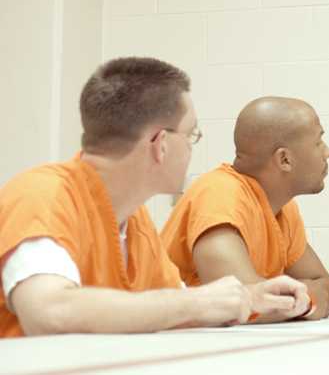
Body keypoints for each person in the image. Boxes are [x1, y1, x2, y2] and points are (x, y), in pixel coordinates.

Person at [0, 57, 307, 338]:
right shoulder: (42, 196)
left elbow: (172, 305)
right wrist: (194, 303)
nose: (190, 148)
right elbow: (50, 312)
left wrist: (251, 299)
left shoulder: (136, 222)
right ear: (160, 144)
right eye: (190, 136)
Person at [161, 97, 329, 321]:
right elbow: (244, 305)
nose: (328, 152)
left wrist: (301, 300)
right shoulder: (219, 195)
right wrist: (303, 299)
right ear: (284, 159)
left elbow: (325, 287)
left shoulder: (283, 207)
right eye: (319, 142)